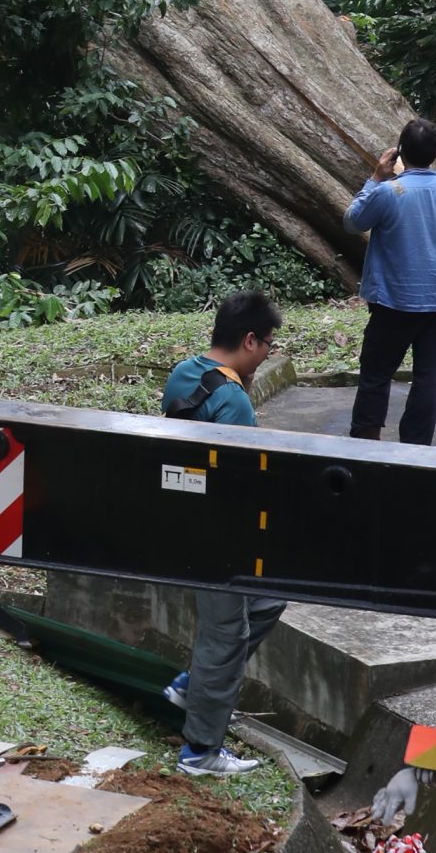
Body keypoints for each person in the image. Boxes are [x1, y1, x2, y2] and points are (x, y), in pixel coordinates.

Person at [160, 290, 284, 780]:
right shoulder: (232, 401)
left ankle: (193, 685)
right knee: (226, 636)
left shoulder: (186, 373)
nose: (271, 351)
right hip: (217, 536)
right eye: (269, 343)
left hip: (182, 517)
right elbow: (241, 484)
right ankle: (200, 752)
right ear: (249, 340)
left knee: (272, 598)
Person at [345, 116, 436, 446]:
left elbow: (353, 221)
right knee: (427, 380)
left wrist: (375, 178)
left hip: (392, 304)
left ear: (400, 152)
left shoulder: (389, 192)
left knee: (375, 376)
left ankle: (365, 443)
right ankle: (416, 451)